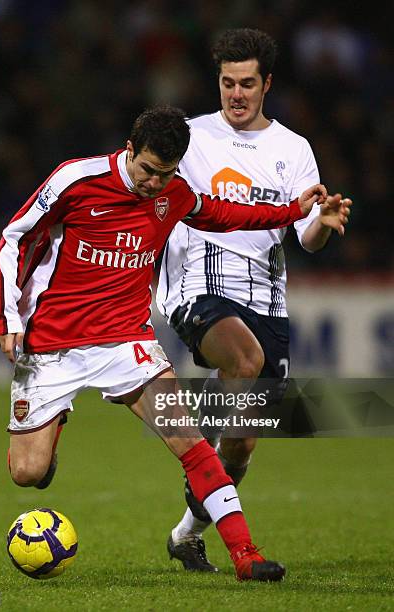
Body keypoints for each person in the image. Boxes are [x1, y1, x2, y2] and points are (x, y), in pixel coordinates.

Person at [0, 105, 348, 582]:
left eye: (166, 174)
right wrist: (7, 317)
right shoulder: (76, 180)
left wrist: (293, 211)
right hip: (54, 343)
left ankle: (245, 555)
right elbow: (15, 236)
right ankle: (51, 428)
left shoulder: (173, 194)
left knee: (193, 445)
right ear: (130, 149)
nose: (155, 184)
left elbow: (224, 214)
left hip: (127, 342)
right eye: (148, 170)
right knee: (27, 474)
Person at [156, 29, 353, 572]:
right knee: (245, 361)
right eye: (226, 83)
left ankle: (185, 533)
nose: (235, 95)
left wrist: (324, 223)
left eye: (246, 84)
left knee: (240, 445)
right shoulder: (190, 138)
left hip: (267, 300)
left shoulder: (294, 150)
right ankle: (209, 449)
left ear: (267, 84)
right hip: (197, 287)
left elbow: (306, 236)